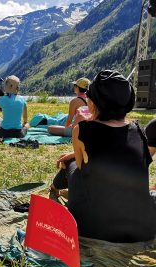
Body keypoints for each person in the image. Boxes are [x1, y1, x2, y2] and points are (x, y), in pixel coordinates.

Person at [50, 70, 156, 243]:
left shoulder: (83, 130)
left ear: (94, 101)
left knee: (71, 163)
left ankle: (55, 189)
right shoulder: (138, 131)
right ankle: (57, 188)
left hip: (92, 228)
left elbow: (82, 167)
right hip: (140, 228)